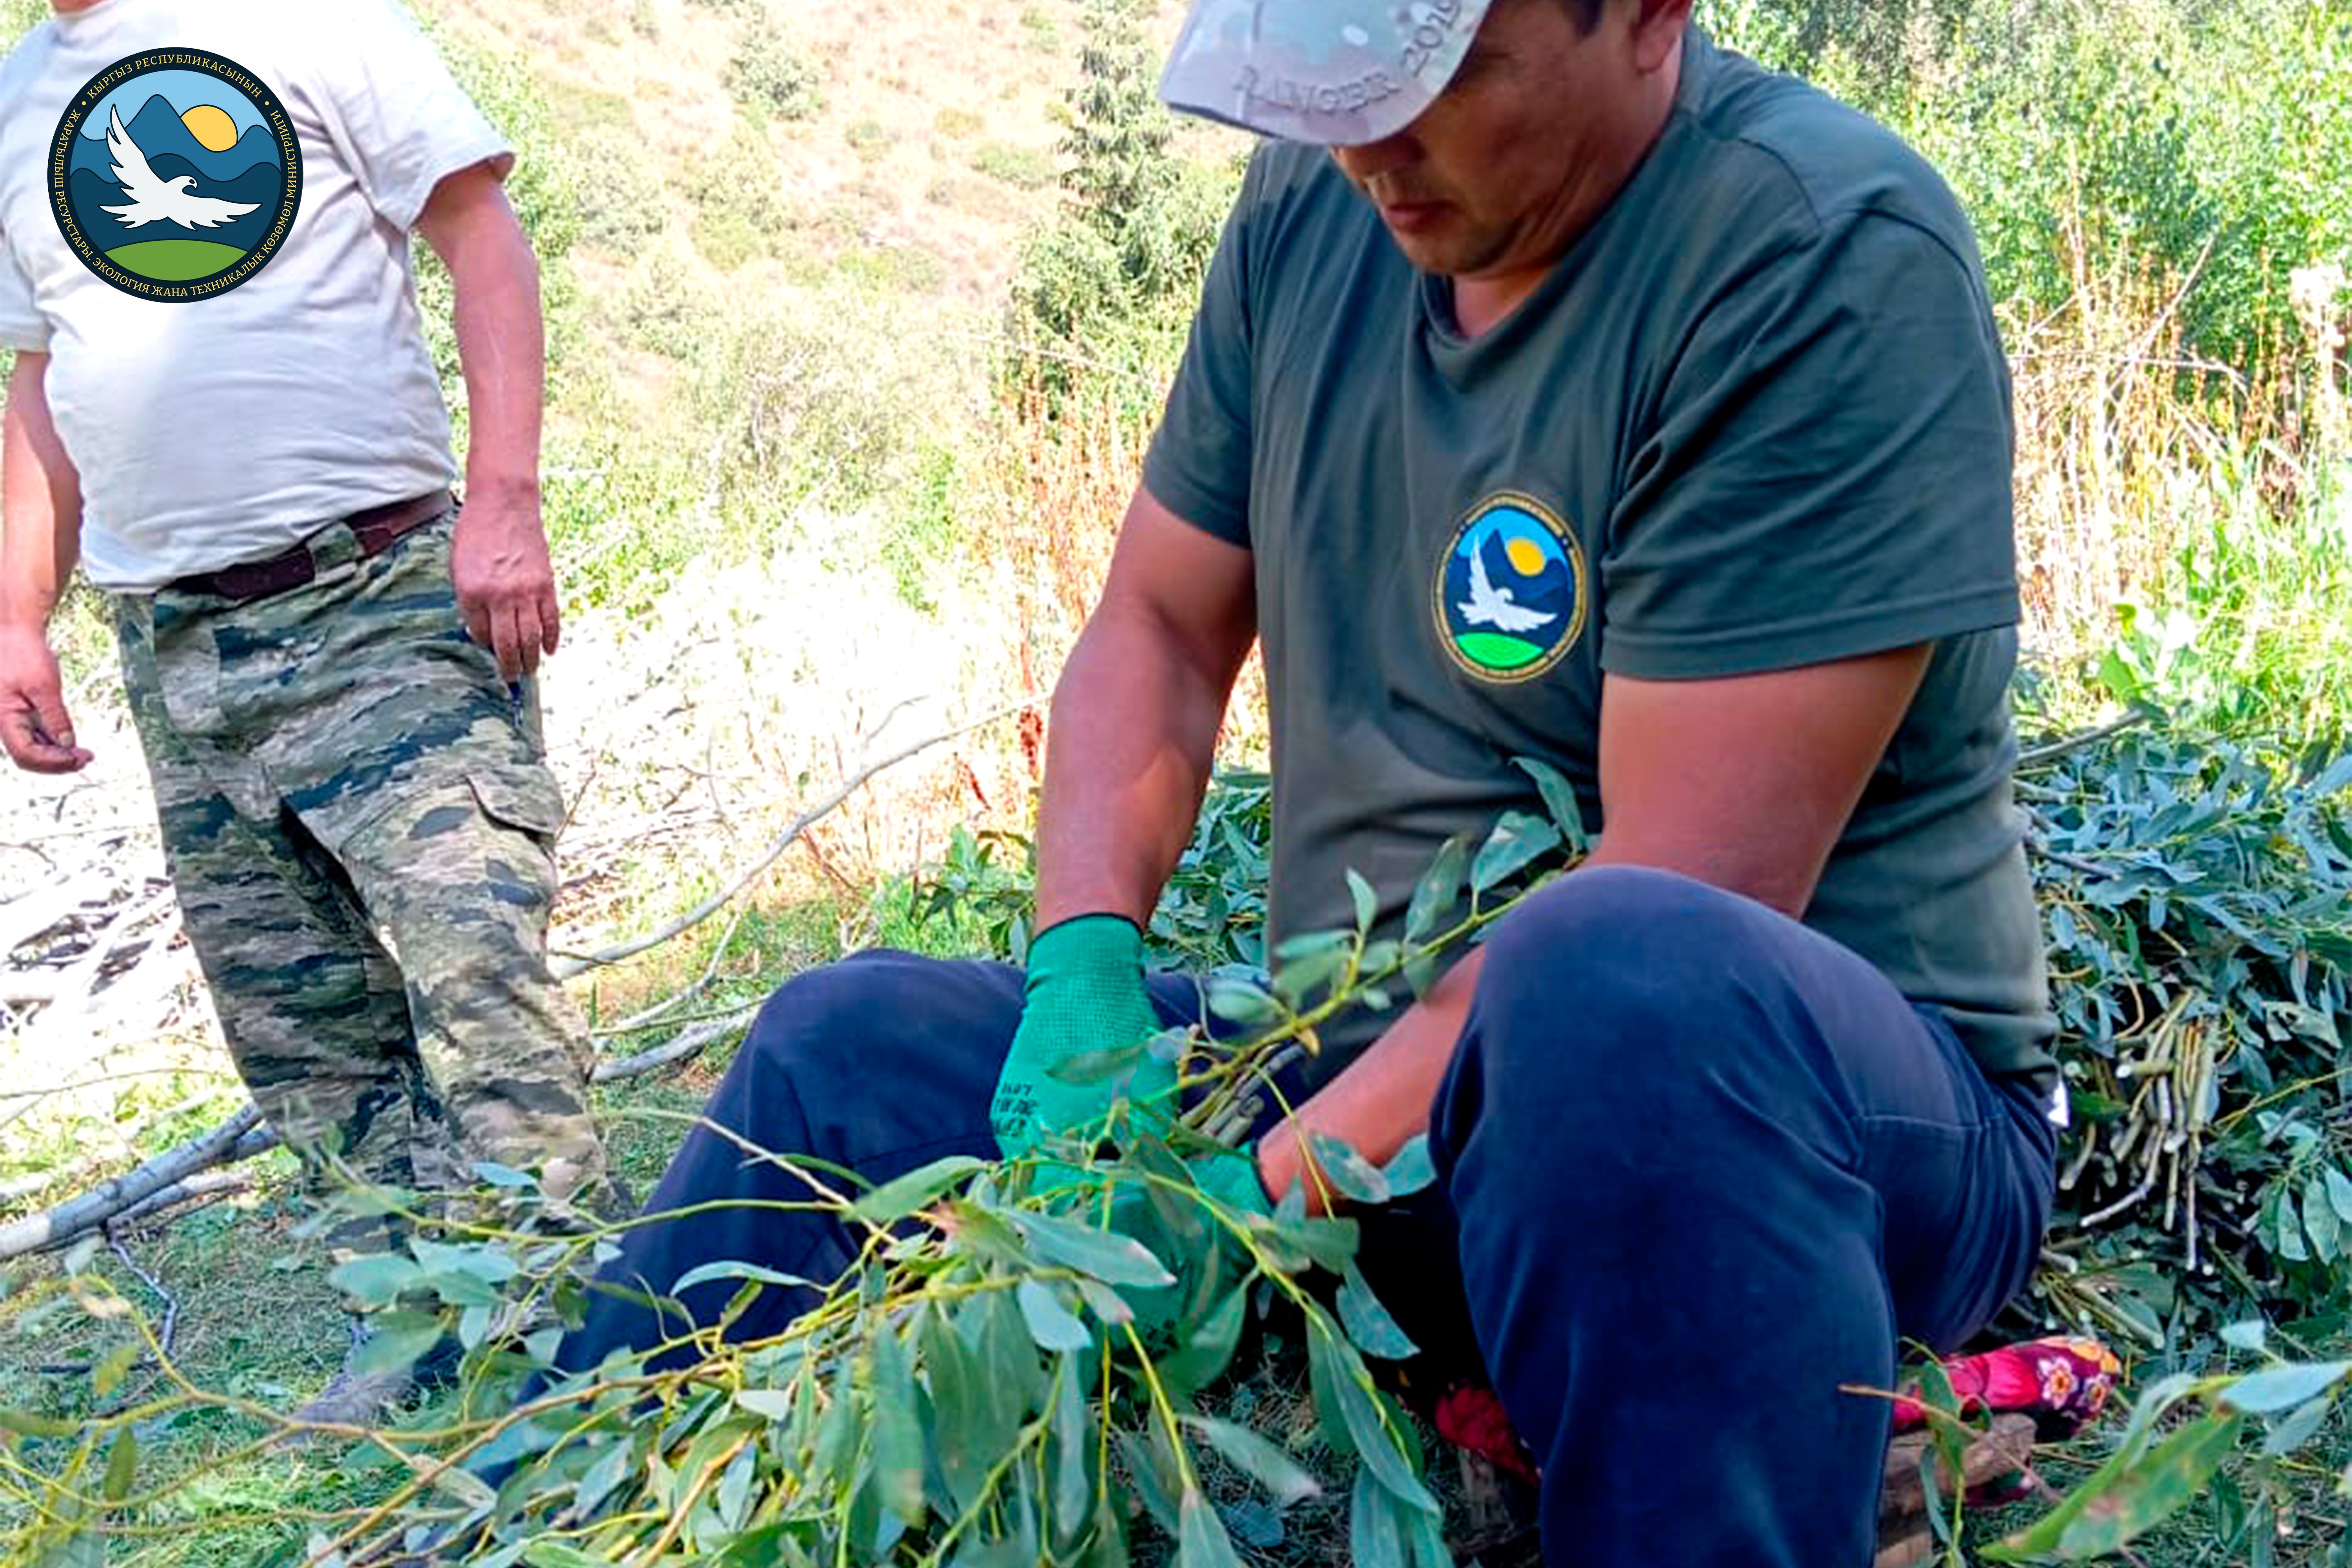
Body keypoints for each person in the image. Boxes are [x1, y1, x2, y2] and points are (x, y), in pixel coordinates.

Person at [546, 0, 2062, 1562]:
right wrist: (1085, 971)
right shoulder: (1314, 216)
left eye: (1442, 83)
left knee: (1616, 989)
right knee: (841, 1052)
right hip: (1361, 1089)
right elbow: (1157, 622)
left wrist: (1229, 1214)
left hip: (1784, 1126)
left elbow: (1686, 887)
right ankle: (556, 1505)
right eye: (1338, 95)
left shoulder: (1818, 260)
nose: (1370, 153)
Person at [0, 0, 610, 1422]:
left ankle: (562, 1328)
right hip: (180, 648)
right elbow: (37, 386)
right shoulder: (18, 99)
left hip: (381, 589)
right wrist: (18, 615)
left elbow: (480, 238)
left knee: (477, 972)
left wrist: (508, 500)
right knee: (299, 1022)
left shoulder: (305, 17)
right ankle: (403, 1330)